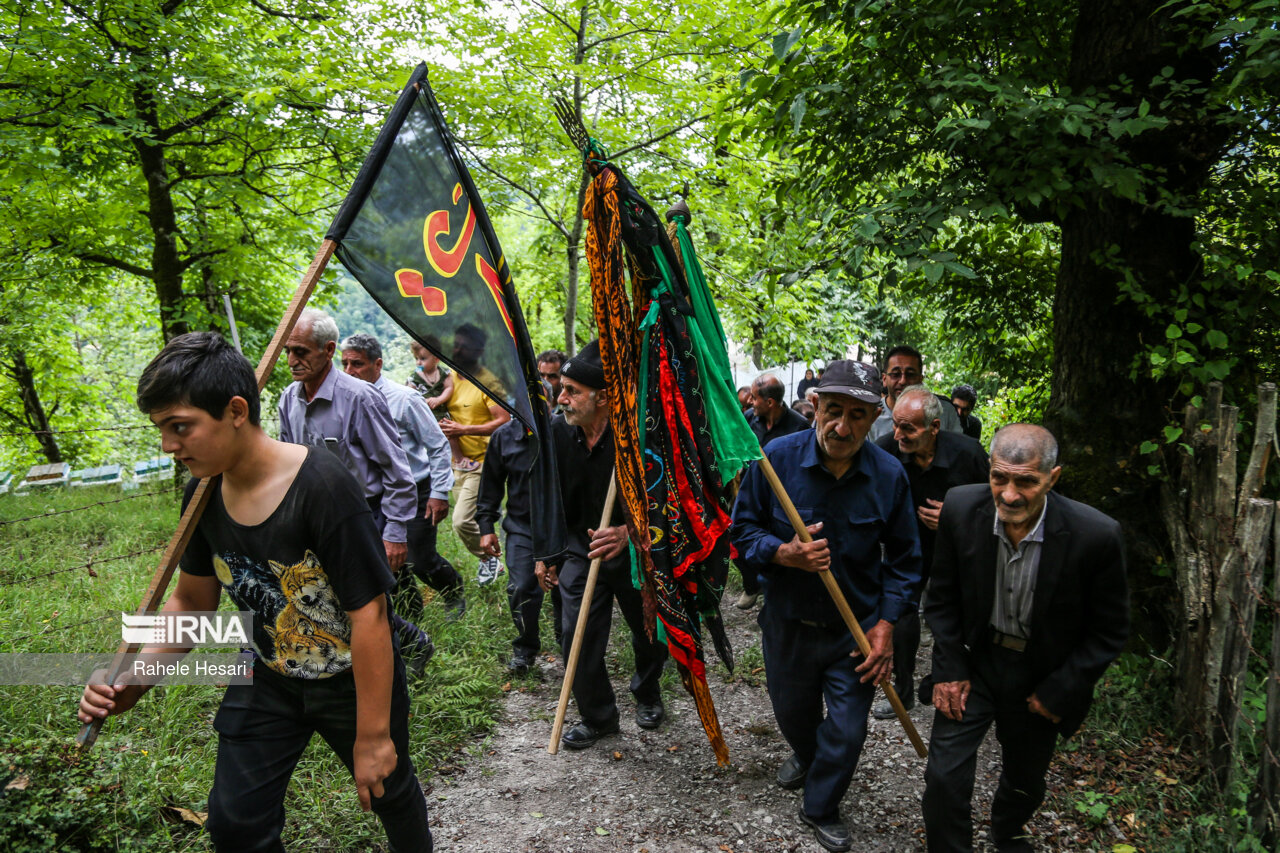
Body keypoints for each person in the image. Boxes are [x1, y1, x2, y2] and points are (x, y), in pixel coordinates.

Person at [79, 332, 432, 852]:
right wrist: (134, 677)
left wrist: (375, 735)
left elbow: (371, 616)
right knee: (236, 824)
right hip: (267, 678)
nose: (168, 446)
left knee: (388, 790)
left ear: (236, 410)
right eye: (161, 430)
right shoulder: (201, 493)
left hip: (352, 680)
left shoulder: (323, 487)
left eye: (181, 427)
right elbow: (191, 603)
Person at [732, 359, 922, 853]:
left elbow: (905, 562)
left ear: (874, 415)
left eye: (857, 416)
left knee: (847, 727)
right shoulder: (774, 460)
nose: (843, 426)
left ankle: (821, 805)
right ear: (814, 405)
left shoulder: (889, 475)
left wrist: (885, 626)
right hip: (788, 623)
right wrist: (784, 553)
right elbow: (741, 533)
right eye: (833, 411)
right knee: (795, 716)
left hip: (853, 630)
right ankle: (806, 752)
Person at [921, 424, 1129, 853]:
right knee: (943, 777)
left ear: (1052, 478)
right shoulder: (961, 508)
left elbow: (1109, 631)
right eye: (999, 478)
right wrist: (950, 668)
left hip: (1040, 674)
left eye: (1026, 482)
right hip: (976, 664)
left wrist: (1061, 689)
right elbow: (940, 599)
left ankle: (1007, 829)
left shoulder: (1096, 536)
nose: (1010, 495)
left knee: (1026, 780)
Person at [277, 309, 433, 670]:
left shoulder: (359, 398)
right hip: (315, 516)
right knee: (329, 598)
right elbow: (289, 461)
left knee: (366, 602)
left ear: (328, 349)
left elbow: (396, 470)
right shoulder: (289, 399)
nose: (292, 360)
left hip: (365, 512)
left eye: (301, 351)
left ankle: (398, 661)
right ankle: (404, 644)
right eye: (288, 351)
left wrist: (394, 532)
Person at [534, 340, 668, 749]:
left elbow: (667, 499)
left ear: (605, 397)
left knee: (648, 633)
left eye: (572, 390)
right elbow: (548, 496)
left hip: (633, 550)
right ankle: (599, 717)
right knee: (575, 631)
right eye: (564, 389)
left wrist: (628, 532)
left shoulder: (637, 438)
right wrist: (547, 553)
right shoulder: (558, 433)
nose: (562, 397)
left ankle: (647, 691)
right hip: (580, 546)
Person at [872, 386, 989, 720]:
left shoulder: (968, 453)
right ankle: (904, 692)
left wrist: (955, 520)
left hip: (957, 551)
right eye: (896, 425)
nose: (898, 435)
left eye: (908, 428)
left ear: (934, 428)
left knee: (952, 618)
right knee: (903, 615)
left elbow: (995, 508)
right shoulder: (886, 451)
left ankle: (949, 680)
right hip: (907, 549)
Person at [341, 334, 466, 622]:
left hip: (415, 488)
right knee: (387, 560)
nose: (349, 371)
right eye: (345, 363)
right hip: (373, 495)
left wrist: (439, 492)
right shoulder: (345, 401)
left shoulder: (404, 399)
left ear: (378, 364)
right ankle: (411, 619)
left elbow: (436, 444)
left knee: (418, 558)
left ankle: (452, 589)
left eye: (357, 364)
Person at [476, 416, 564, 673]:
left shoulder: (564, 432)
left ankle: (568, 644)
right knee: (521, 587)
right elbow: (490, 484)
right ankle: (525, 649)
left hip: (562, 526)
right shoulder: (503, 436)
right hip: (522, 526)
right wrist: (486, 526)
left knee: (565, 589)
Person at [439, 323, 511, 586]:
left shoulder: (488, 382)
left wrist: (464, 429)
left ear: (478, 351)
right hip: (458, 461)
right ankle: (489, 559)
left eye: (464, 347)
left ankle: (492, 557)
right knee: (472, 520)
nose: (457, 350)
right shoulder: (450, 378)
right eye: (455, 345)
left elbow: (504, 420)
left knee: (460, 521)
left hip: (483, 462)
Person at [868, 345, 961, 442]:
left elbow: (958, 449)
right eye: (896, 374)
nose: (903, 381)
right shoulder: (872, 415)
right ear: (884, 379)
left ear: (921, 379)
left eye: (910, 374)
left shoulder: (944, 411)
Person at [407, 337, 464, 466]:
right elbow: (409, 394)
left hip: (441, 413)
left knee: (450, 435)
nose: (418, 363)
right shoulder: (415, 377)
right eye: (416, 359)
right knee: (425, 439)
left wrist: (439, 399)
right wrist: (421, 401)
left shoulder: (444, 373)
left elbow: (449, 388)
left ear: (436, 359)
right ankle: (428, 463)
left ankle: (459, 459)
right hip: (424, 415)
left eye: (422, 359)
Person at [747, 373, 810, 448]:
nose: (749, 401)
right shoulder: (749, 417)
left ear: (770, 402)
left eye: (754, 398)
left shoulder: (800, 427)